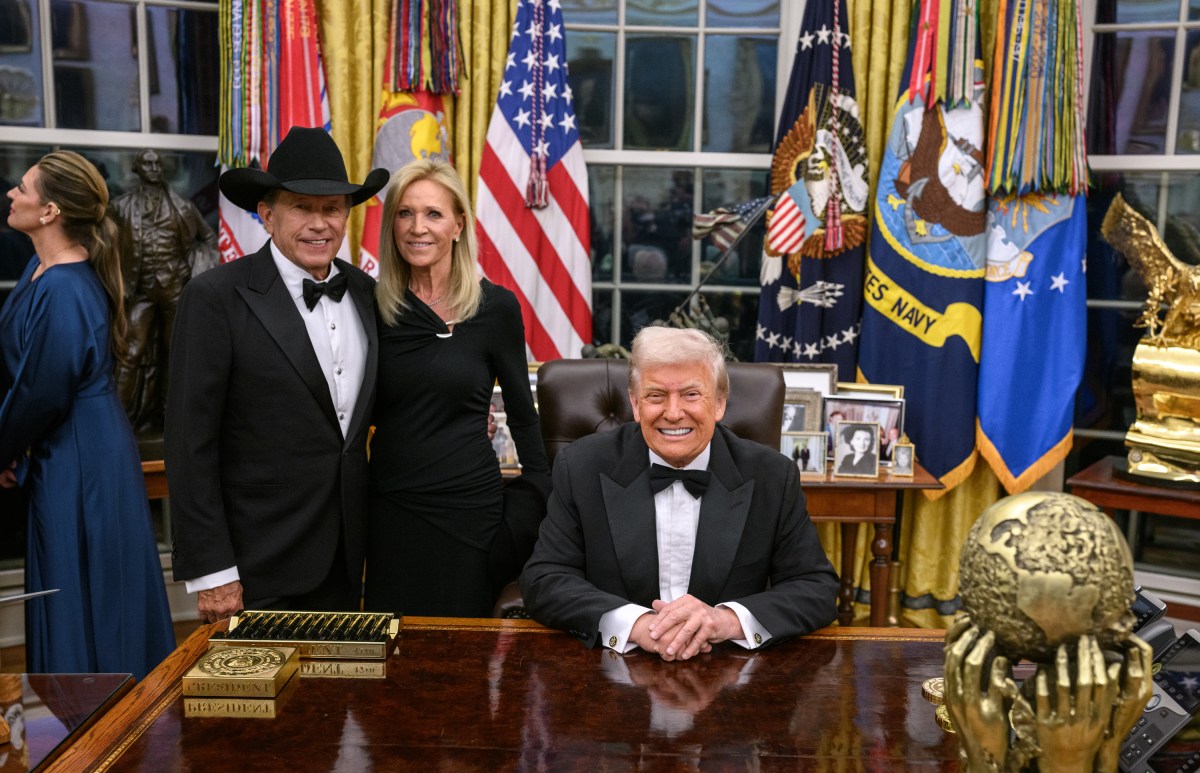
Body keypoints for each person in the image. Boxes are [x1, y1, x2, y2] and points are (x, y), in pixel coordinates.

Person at [166, 127, 388, 622]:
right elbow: (189, 443)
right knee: (258, 701)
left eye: (331, 208)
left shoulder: (368, 293)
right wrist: (214, 572)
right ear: (267, 215)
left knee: (338, 699)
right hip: (253, 569)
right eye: (301, 208)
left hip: (348, 562)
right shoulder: (214, 298)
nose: (319, 223)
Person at [520, 326, 839, 661]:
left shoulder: (772, 475)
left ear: (718, 404)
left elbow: (816, 590)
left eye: (690, 394)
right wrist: (638, 625)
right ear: (635, 403)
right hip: (611, 670)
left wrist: (723, 620)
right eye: (656, 395)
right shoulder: (581, 466)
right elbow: (545, 579)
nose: (673, 413)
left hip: (729, 676)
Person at [0, 151, 174, 678]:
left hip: (81, 453)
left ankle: (98, 726)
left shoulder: (65, 287)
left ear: (50, 211)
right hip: (63, 443)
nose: (12, 193)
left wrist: (4, 448)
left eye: (25, 187)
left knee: (84, 583)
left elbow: (42, 392)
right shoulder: (40, 267)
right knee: (76, 579)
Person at [364, 159, 548, 618]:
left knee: (465, 656)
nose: (416, 228)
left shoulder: (496, 308)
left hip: (470, 510)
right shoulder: (371, 306)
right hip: (392, 506)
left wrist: (546, 497)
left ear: (459, 225)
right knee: (393, 651)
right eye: (404, 214)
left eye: (433, 214)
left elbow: (524, 416)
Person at [111, 149, 218, 435]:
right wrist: (117, 280)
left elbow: (209, 240)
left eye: (158, 163)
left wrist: (196, 269)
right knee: (130, 352)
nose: (155, 167)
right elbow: (106, 246)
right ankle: (118, 420)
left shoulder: (183, 207)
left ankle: (172, 418)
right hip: (140, 290)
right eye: (148, 162)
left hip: (174, 289)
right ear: (137, 168)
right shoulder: (120, 207)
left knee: (176, 353)